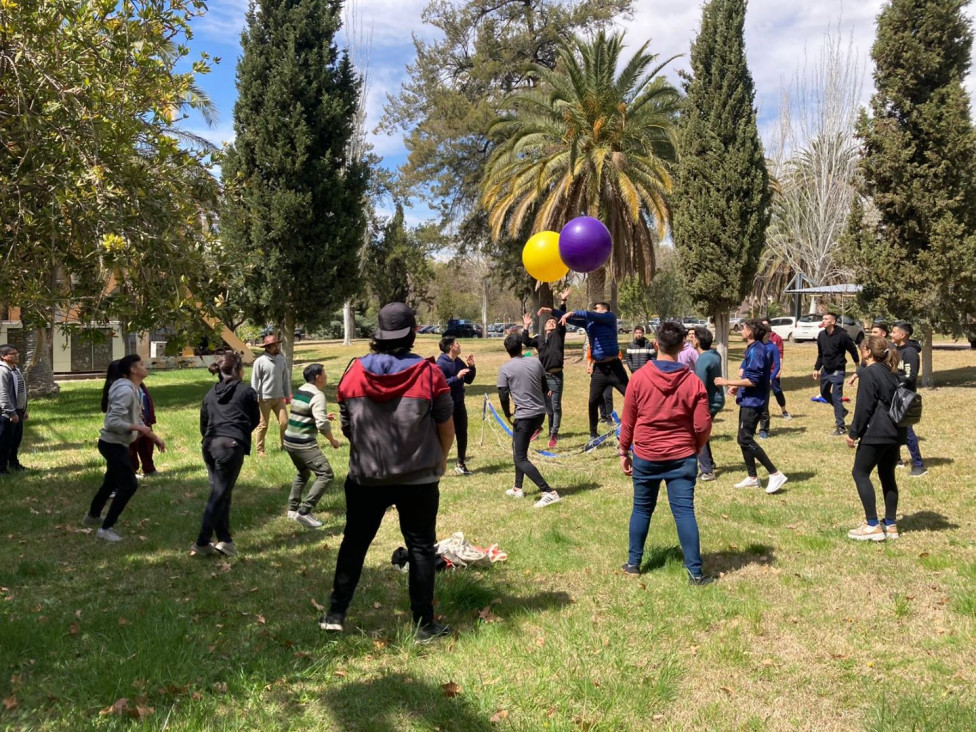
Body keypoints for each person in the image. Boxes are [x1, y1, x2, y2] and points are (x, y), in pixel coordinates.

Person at [322, 303, 454, 641]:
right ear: (411, 334)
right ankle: (424, 626)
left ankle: (335, 613)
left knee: (354, 542)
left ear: (378, 336)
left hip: (367, 476)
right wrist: (440, 459)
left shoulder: (353, 372)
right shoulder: (430, 373)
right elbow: (445, 425)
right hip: (419, 478)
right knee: (422, 547)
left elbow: (348, 424)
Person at [618, 320, 712, 584]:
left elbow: (628, 421)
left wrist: (624, 451)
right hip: (682, 456)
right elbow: (703, 424)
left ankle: (634, 563)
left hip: (647, 456)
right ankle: (695, 572)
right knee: (684, 512)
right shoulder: (693, 382)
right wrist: (697, 446)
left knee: (641, 509)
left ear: (655, 344)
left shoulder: (637, 379)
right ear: (683, 346)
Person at [83, 355, 166, 542]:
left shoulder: (133, 389)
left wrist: (154, 437)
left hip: (117, 443)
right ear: (133, 370)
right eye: (142, 365)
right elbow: (112, 422)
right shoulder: (126, 391)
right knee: (129, 485)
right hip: (113, 445)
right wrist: (139, 428)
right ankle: (106, 529)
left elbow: (136, 419)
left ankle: (92, 517)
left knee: (110, 482)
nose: (146, 367)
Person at [192, 353, 260, 557]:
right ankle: (202, 542)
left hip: (210, 444)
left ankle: (225, 540)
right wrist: (237, 435)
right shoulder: (247, 391)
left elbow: (203, 423)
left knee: (223, 492)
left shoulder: (209, 394)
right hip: (230, 446)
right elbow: (254, 419)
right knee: (219, 494)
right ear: (238, 370)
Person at [715, 320, 789, 494]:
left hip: (753, 402)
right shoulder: (754, 348)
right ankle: (752, 478)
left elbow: (753, 380)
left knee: (745, 439)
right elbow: (751, 375)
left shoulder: (757, 350)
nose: (741, 331)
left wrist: (726, 382)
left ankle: (775, 473)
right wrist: (737, 386)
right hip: (748, 399)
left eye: (744, 329)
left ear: (750, 333)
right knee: (743, 438)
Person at [845, 335, 905, 541]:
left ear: (868, 352)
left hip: (876, 432)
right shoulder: (891, 371)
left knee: (860, 473)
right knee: (887, 476)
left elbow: (864, 407)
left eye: (862, 349)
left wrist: (854, 433)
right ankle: (891, 524)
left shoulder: (870, 373)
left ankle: (872, 525)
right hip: (895, 433)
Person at [497, 333, 560, 508]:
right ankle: (518, 488)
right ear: (521, 347)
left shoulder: (505, 369)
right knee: (517, 448)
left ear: (507, 350)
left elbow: (502, 394)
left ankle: (548, 491)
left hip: (525, 416)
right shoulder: (534, 361)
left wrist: (507, 413)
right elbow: (544, 382)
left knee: (520, 457)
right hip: (540, 413)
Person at [562, 302, 628, 447]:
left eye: (596, 309)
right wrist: (557, 310)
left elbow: (588, 315)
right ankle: (593, 434)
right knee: (593, 401)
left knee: (631, 396)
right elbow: (570, 319)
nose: (594, 311)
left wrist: (573, 312)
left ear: (604, 311)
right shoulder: (590, 323)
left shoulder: (610, 317)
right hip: (599, 369)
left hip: (615, 367)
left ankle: (638, 427)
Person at [284, 363, 341, 528]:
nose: (326, 377)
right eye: (325, 374)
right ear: (318, 377)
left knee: (303, 472)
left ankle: (292, 509)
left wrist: (323, 415)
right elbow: (322, 425)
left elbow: (303, 412)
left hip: (289, 441)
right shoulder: (318, 395)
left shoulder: (301, 390)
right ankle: (304, 511)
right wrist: (332, 440)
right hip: (303, 444)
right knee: (326, 474)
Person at [522, 286, 571, 448]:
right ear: (544, 327)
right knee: (543, 405)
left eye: (553, 321)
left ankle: (554, 434)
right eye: (549, 321)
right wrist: (526, 327)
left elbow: (562, 316)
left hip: (556, 376)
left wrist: (563, 301)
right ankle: (539, 427)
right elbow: (526, 341)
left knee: (555, 406)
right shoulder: (539, 340)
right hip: (542, 377)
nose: (552, 322)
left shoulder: (559, 334)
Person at [813, 312, 860, 436]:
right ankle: (842, 411)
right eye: (822, 318)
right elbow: (821, 354)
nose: (823, 321)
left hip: (837, 370)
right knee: (824, 393)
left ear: (833, 322)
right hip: (826, 370)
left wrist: (857, 366)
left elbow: (852, 349)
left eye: (826, 319)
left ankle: (841, 427)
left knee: (836, 396)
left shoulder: (842, 335)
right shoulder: (821, 335)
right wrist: (817, 368)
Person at [436, 336, 476, 474]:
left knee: (462, 433)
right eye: (457, 343)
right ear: (452, 347)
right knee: (443, 435)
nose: (459, 345)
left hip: (459, 403)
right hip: (445, 404)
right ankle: (439, 463)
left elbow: (469, 380)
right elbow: (439, 384)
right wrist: (456, 378)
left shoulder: (458, 361)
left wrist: (472, 367)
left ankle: (461, 463)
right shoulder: (440, 363)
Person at [891, 321, 926, 477]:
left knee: (907, 430)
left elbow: (909, 377)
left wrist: (894, 379)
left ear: (902, 335)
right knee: (892, 427)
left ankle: (919, 465)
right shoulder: (895, 350)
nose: (891, 335)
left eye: (893, 332)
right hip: (894, 395)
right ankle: (896, 459)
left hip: (905, 397)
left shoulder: (910, 353)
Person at [692, 326, 724, 482]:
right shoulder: (714, 354)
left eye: (693, 337)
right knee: (703, 432)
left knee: (698, 434)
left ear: (697, 342)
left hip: (708, 402)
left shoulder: (703, 359)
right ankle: (709, 463)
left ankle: (707, 471)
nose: (691, 339)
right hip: (717, 399)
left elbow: (700, 386)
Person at [251, 334, 292, 455]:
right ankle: (260, 450)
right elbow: (255, 380)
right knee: (263, 425)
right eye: (274, 346)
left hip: (279, 398)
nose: (277, 347)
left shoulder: (281, 360)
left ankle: (285, 446)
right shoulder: (260, 361)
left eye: (277, 345)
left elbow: (285, 379)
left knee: (284, 422)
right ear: (268, 348)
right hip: (264, 399)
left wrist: (287, 394)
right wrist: (255, 397)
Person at [0, 345, 29, 474]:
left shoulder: (16, 370)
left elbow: (21, 392)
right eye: (13, 354)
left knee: (15, 440)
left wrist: (23, 409)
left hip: (18, 411)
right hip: (7, 413)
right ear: (3, 356)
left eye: (17, 353)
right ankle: (1, 468)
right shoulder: (2, 371)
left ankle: (13, 463)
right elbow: (2, 394)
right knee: (4, 441)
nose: (16, 355)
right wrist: (11, 412)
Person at [760, 317, 791, 421]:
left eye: (766, 324)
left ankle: (784, 411)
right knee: (763, 393)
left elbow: (780, 355)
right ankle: (763, 413)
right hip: (761, 371)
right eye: (762, 324)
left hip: (773, 370)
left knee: (777, 391)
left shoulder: (776, 338)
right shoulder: (758, 337)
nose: (764, 326)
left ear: (769, 325)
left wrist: (779, 370)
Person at [757, 327, 782, 440]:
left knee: (764, 406)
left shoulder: (772, 347)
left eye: (764, 332)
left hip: (765, 380)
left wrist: (771, 378)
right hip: (755, 379)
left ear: (769, 333)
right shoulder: (756, 345)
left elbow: (777, 365)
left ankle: (764, 430)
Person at [128, 382, 157, 477]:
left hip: (144, 421)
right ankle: (131, 471)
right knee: (132, 446)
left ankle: (149, 468)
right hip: (133, 424)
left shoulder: (141, 386)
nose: (145, 367)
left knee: (147, 445)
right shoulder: (126, 388)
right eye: (141, 365)